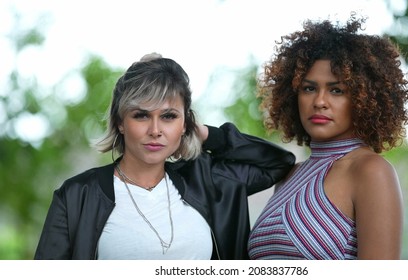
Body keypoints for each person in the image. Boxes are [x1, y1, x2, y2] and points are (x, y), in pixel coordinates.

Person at [34, 53, 295, 260]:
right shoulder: (77, 195)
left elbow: (277, 163)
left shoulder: (210, 180)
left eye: (169, 116)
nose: (156, 130)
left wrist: (207, 135)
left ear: (185, 123)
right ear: (120, 122)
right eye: (141, 115)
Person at [247, 14, 408, 260]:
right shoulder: (289, 175)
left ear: (363, 99)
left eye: (337, 90)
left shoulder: (371, 171)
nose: (320, 101)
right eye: (309, 88)